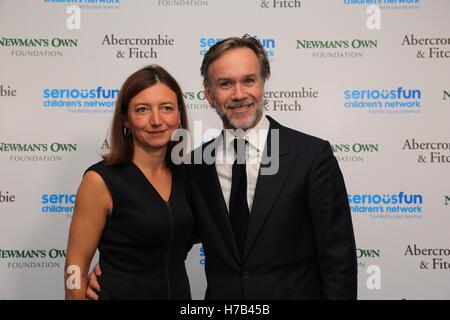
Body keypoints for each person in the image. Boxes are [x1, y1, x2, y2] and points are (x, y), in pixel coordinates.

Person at [87, 35, 358, 300]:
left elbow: (338, 260)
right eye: (225, 83)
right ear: (209, 94)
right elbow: (167, 232)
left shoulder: (310, 156)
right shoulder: (193, 164)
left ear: (263, 85)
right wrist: (115, 272)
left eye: (249, 81)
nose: (239, 94)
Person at [64, 65, 194, 300]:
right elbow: (75, 266)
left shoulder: (190, 177)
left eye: (166, 108)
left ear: (179, 117)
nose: (156, 120)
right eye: (142, 109)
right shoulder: (100, 180)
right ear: (125, 120)